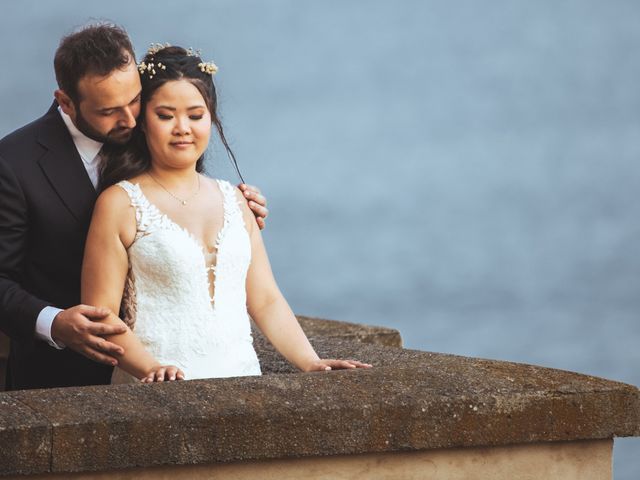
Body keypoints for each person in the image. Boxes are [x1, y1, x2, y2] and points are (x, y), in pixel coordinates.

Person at [0, 24, 268, 390]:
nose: (129, 119)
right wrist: (53, 322)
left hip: (165, 374)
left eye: (135, 100)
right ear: (65, 102)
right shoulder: (14, 163)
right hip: (58, 383)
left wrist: (235, 214)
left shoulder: (146, 130)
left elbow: (181, 193)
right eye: (109, 110)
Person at [82, 44, 372, 382]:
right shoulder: (120, 203)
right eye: (165, 115)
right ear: (143, 122)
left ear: (211, 117)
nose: (182, 128)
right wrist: (150, 368)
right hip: (155, 393)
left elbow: (264, 299)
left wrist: (310, 361)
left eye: (195, 114)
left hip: (242, 385)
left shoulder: (235, 201)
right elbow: (100, 315)